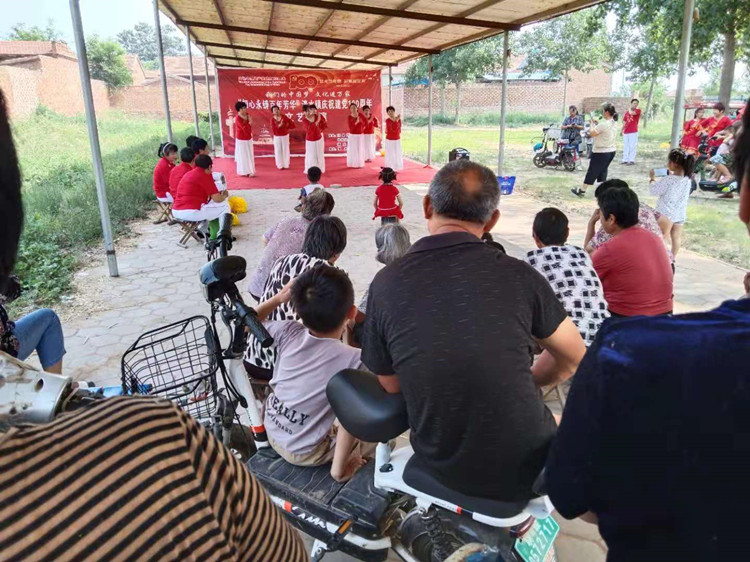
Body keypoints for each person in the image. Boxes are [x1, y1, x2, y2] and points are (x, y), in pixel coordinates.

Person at [0, 90, 307, 562]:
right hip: (191, 212)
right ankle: (213, 238)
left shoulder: (185, 168)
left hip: (180, 209)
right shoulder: (156, 440)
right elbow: (288, 554)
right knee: (223, 208)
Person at [545, 100, 750, 562]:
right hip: (663, 316)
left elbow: (570, 494)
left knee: (562, 331)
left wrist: (589, 229)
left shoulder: (625, 355)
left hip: (630, 327)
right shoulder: (652, 235)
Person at [363, 159, 586, 502]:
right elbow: (573, 356)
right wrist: (529, 381)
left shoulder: (385, 283)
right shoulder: (522, 277)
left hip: (442, 463)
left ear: (427, 206)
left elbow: (392, 384)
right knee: (569, 421)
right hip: (531, 468)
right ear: (492, 219)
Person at [256, 265, 372, 482]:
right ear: (352, 313)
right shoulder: (355, 360)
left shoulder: (288, 331)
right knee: (373, 434)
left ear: (298, 312)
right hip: (304, 452)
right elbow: (352, 416)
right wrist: (339, 471)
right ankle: (344, 470)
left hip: (272, 429)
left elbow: (249, 323)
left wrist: (278, 299)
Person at [246, 215, 347, 376]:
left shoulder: (281, 262)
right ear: (337, 254)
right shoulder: (333, 276)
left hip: (255, 357)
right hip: (290, 368)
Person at [524, 208, 609, 347]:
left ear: (535, 236)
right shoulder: (581, 254)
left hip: (570, 342)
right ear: (567, 233)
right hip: (604, 334)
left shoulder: (531, 260)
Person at [590, 185, 673, 317]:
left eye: (600, 213)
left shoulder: (610, 249)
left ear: (611, 219)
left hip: (629, 318)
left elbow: (585, 280)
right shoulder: (654, 238)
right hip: (666, 314)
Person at [248, 188, 335, 300]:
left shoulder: (286, 221)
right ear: (326, 216)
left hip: (257, 284)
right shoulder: (317, 235)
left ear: (303, 207)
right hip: (278, 296)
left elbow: (265, 239)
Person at [649, 149, 695, 257]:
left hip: (666, 213)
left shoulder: (668, 179)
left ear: (674, 164)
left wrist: (652, 179)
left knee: (663, 237)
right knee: (676, 237)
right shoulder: (688, 179)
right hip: (680, 213)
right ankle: (672, 259)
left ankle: (662, 259)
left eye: (669, 161)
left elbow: (654, 191)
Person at [172, 154, 230, 240]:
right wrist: (224, 195)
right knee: (225, 206)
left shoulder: (189, 174)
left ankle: (205, 230)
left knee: (210, 207)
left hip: (176, 210)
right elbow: (217, 199)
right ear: (209, 166)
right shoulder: (205, 175)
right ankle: (223, 236)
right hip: (191, 212)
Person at [572, 103, 618, 197]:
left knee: (593, 171)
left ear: (607, 112)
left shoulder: (604, 124)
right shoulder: (614, 122)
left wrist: (592, 124)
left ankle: (582, 190)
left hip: (601, 152)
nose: (602, 113)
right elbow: (602, 130)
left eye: (603, 111)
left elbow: (592, 133)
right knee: (603, 171)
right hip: (611, 151)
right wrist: (596, 124)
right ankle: (603, 191)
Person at [303, 104, 327, 174]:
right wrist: (317, 122)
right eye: (306, 111)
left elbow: (324, 124)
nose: (308, 112)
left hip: (318, 138)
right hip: (310, 140)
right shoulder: (304, 120)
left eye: (309, 110)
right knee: (311, 155)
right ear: (304, 112)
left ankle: (320, 169)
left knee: (320, 154)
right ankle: (311, 170)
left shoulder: (317, 116)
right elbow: (309, 129)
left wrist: (320, 119)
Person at [234, 101, 255, 177]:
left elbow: (249, 128)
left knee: (250, 154)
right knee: (243, 155)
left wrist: (250, 122)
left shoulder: (247, 115)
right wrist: (250, 122)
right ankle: (244, 171)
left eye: (245, 108)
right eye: (242, 108)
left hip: (248, 137)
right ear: (239, 109)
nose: (244, 109)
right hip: (241, 138)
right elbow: (244, 128)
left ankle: (251, 170)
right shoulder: (238, 118)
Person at [270, 104, 295, 170]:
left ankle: (286, 164)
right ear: (272, 112)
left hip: (285, 136)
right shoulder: (272, 120)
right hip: (277, 137)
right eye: (274, 110)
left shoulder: (284, 117)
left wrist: (286, 127)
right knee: (278, 150)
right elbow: (273, 129)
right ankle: (280, 165)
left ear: (279, 110)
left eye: (277, 109)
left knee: (285, 150)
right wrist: (279, 126)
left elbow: (292, 124)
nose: (276, 111)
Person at [620, 98, 641, 165]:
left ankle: (631, 160)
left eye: (636, 104)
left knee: (632, 146)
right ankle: (625, 160)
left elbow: (632, 113)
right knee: (626, 146)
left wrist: (629, 109)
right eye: (634, 103)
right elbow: (624, 122)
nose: (635, 105)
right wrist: (621, 130)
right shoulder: (627, 113)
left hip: (633, 131)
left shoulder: (638, 110)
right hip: (626, 131)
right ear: (631, 103)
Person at [384, 106, 403, 171]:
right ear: (387, 113)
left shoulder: (399, 119)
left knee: (397, 153)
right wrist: (396, 120)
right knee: (390, 153)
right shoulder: (387, 120)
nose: (390, 112)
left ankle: (397, 166)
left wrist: (397, 120)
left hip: (397, 139)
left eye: (392, 111)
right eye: (389, 111)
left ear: (394, 111)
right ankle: (390, 167)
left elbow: (399, 128)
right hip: (389, 139)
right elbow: (392, 128)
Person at [346, 103, 365, 169]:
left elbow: (366, 122)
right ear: (350, 109)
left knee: (360, 149)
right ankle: (354, 163)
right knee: (354, 149)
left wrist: (362, 126)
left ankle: (359, 163)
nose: (353, 109)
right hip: (353, 135)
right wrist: (356, 122)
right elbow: (351, 127)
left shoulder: (360, 115)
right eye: (351, 108)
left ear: (357, 108)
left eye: (354, 107)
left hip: (360, 135)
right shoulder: (349, 117)